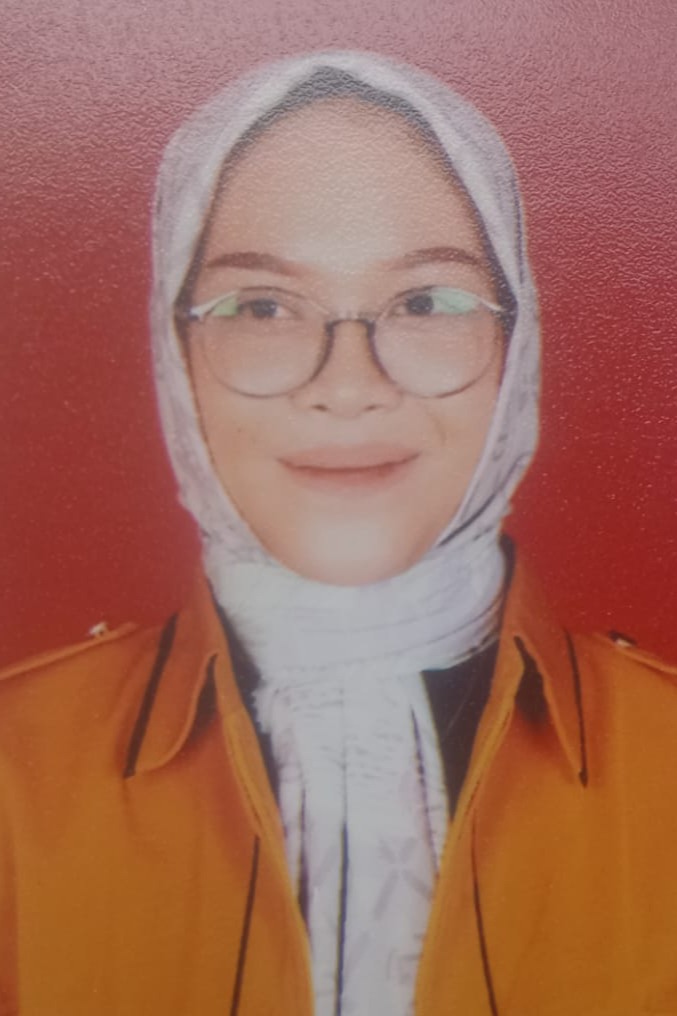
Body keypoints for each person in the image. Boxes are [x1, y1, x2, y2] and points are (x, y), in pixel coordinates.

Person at [2, 50, 677, 1016]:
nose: (349, 385)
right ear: (174, 350)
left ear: (515, 345)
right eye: (262, 307)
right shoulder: (16, 772)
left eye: (425, 302)